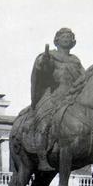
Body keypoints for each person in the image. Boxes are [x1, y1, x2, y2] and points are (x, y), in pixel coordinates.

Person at [30, 27, 85, 171]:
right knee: (45, 120)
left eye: (69, 36)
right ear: (57, 40)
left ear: (73, 41)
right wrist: (43, 61)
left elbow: (84, 78)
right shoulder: (50, 56)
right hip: (54, 95)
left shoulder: (75, 60)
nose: (66, 38)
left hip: (73, 96)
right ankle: (42, 158)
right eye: (63, 36)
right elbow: (42, 69)